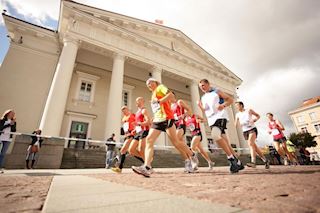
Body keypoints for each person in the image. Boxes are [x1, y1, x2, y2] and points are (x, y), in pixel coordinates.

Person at [132, 78, 197, 177]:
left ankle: (192, 154)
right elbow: (157, 108)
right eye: (147, 84)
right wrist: (154, 116)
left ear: (155, 82)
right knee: (149, 140)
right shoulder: (153, 94)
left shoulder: (160, 87)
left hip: (167, 119)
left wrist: (160, 101)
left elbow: (170, 95)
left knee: (176, 142)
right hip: (158, 120)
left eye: (150, 82)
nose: (149, 84)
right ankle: (147, 167)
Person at [197, 79, 244, 173]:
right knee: (225, 142)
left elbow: (230, 99)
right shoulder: (203, 97)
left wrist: (223, 105)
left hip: (220, 116)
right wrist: (199, 106)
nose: (202, 87)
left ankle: (231, 159)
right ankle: (238, 162)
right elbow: (206, 110)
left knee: (215, 135)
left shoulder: (216, 91)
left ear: (208, 84)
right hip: (211, 120)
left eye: (203, 85)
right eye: (200, 86)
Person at [235, 101, 270, 169]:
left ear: (241, 105)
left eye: (237, 105)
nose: (236, 107)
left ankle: (253, 162)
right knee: (255, 147)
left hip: (252, 129)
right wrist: (236, 125)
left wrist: (254, 120)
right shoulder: (237, 114)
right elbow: (235, 123)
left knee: (250, 143)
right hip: (245, 131)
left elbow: (258, 116)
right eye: (235, 106)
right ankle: (265, 160)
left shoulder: (249, 110)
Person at [171, 93, 200, 170]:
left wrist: (183, 115)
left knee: (176, 140)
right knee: (179, 144)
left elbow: (189, 110)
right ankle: (189, 161)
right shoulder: (170, 106)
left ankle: (192, 156)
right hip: (174, 126)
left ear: (173, 95)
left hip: (181, 124)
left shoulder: (179, 102)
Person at [111, 106, 138, 173]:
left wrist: (135, 130)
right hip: (127, 135)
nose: (123, 111)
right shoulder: (123, 118)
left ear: (128, 109)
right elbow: (125, 127)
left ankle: (119, 168)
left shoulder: (132, 115)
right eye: (122, 111)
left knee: (123, 150)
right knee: (129, 151)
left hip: (132, 134)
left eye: (124, 110)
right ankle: (119, 168)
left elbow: (137, 123)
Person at [128, 97, 151, 165]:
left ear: (142, 101)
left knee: (141, 150)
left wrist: (138, 124)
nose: (136, 102)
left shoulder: (144, 110)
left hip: (145, 131)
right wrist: (135, 129)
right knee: (131, 150)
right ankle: (147, 161)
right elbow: (138, 123)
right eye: (136, 101)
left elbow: (148, 122)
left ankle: (147, 165)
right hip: (138, 132)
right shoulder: (137, 112)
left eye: (138, 101)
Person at [0, 109, 16, 173]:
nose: (13, 115)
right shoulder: (1, 120)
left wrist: (13, 124)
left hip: (8, 139)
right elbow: (0, 128)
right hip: (0, 138)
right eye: (12, 113)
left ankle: (0, 168)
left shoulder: (13, 122)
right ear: (7, 113)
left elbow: (14, 131)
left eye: (13, 114)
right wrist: (9, 124)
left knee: (3, 154)